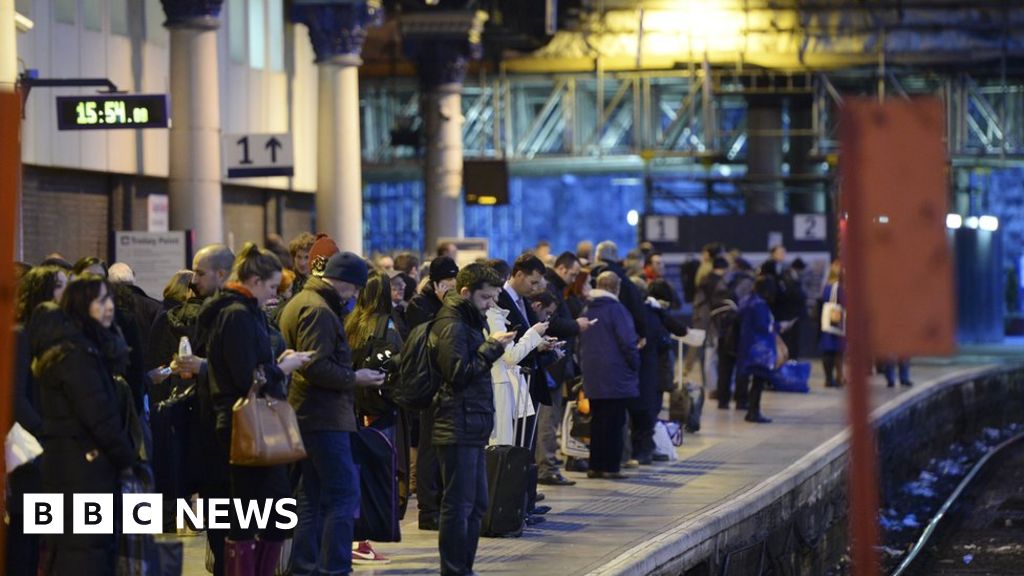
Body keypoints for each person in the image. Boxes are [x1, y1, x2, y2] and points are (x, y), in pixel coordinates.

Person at [194, 243, 311, 575]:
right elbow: (250, 376)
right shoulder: (237, 315)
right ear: (255, 281)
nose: (273, 295)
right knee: (257, 514)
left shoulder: (241, 312)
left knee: (261, 513)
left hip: (243, 423)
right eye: (272, 287)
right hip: (243, 426)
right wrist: (284, 368)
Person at [279, 249, 386, 576]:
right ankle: (334, 568)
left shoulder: (301, 301)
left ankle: (304, 567)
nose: (355, 296)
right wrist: (356, 378)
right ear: (342, 281)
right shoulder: (319, 310)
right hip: (323, 416)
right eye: (354, 288)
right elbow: (317, 366)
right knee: (343, 494)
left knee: (311, 496)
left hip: (307, 414)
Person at [32, 274, 138, 576]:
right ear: (81, 305)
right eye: (100, 300)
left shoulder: (82, 349)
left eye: (110, 299)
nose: (109, 307)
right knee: (83, 553)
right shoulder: (76, 355)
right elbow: (99, 416)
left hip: (77, 466)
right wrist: (127, 458)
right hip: (80, 469)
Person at [429, 263, 515, 576]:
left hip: (470, 423)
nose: (491, 304)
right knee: (459, 505)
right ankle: (454, 570)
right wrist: (492, 348)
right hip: (456, 423)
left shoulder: (467, 320)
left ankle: (463, 567)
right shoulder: (452, 324)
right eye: (486, 297)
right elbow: (458, 372)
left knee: (477, 503)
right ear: (466, 292)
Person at [344, 270, 407, 565]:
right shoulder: (388, 325)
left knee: (355, 474)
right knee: (376, 476)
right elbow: (393, 364)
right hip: (379, 411)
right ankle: (361, 541)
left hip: (351, 407)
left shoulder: (351, 322)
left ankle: (351, 538)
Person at [8, 266, 67, 576]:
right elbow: (15, 398)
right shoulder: (20, 336)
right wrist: (46, 433)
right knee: (25, 535)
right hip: (30, 450)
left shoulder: (57, 336)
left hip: (53, 450)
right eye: (60, 287)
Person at [405, 255, 459, 530]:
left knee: (442, 449)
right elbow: (432, 338)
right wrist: (443, 306)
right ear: (436, 282)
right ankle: (428, 510)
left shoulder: (446, 303)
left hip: (447, 384)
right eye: (448, 281)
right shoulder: (420, 305)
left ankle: (440, 504)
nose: (452, 287)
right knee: (428, 449)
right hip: (428, 386)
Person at [579, 271, 640, 479]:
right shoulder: (617, 310)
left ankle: (594, 466)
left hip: (593, 375)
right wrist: (635, 364)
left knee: (597, 421)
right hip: (616, 375)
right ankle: (611, 467)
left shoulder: (587, 308)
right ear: (616, 288)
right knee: (614, 423)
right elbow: (628, 343)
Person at [737, 276, 789, 424]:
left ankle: (751, 410)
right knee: (758, 382)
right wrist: (779, 326)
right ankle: (754, 412)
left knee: (750, 380)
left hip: (746, 345)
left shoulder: (746, 300)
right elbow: (764, 326)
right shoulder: (759, 304)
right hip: (759, 348)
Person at [406, 256, 459, 330]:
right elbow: (430, 331)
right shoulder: (418, 303)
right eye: (449, 279)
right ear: (436, 283)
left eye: (455, 278)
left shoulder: (457, 300)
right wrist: (445, 304)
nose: (454, 283)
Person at [820, 262, 845, 389]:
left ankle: (831, 378)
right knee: (834, 350)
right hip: (836, 322)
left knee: (830, 350)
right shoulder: (837, 287)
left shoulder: (827, 286)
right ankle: (832, 378)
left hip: (829, 322)